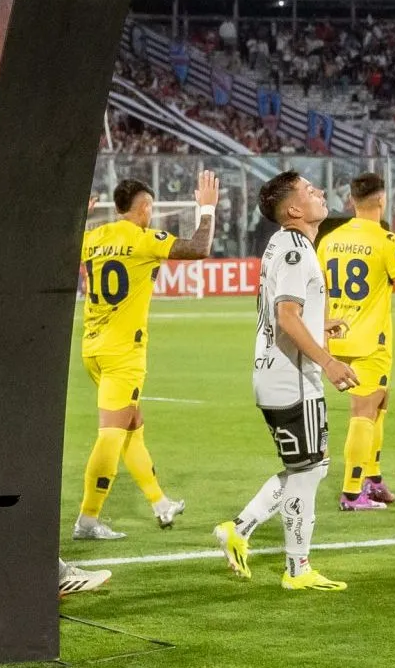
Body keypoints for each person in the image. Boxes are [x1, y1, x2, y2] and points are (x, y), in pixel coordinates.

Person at [214, 172, 359, 590]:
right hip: (293, 379)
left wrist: (320, 324)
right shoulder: (298, 251)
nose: (319, 192)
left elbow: (291, 312)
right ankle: (296, 569)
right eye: (310, 190)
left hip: (273, 374)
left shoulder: (281, 244)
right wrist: (329, 362)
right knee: (309, 469)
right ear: (294, 210)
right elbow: (287, 316)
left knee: (308, 466)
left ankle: (240, 529)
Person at [69, 171, 219, 569]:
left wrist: (75, 219)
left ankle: (160, 502)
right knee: (111, 434)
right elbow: (199, 247)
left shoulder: (93, 239)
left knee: (133, 425)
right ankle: (88, 518)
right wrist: (207, 207)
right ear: (145, 208)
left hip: (93, 347)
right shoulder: (142, 239)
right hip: (123, 354)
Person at [317, 173, 395, 511]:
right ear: (382, 200)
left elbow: (320, 289)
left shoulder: (330, 240)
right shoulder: (386, 240)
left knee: (380, 406)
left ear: (351, 201)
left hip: (337, 337)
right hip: (371, 341)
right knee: (363, 412)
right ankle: (353, 493)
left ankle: (372, 477)